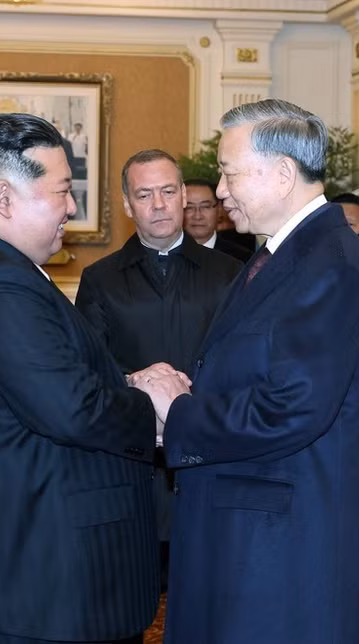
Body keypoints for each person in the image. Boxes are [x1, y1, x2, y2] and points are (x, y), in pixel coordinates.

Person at [132, 99, 359, 643]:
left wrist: (179, 411)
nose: (219, 191)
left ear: (283, 172)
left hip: (279, 549)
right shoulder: (284, 255)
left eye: (228, 171)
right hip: (247, 531)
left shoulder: (328, 264)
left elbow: (292, 406)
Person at [0, 113, 161, 644]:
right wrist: (154, 407)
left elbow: (36, 379)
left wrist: (125, 382)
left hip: (15, 568)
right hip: (42, 580)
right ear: (5, 198)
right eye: (63, 191)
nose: (72, 207)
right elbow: (69, 409)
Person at [76, 150, 241, 597]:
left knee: (210, 599)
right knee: (126, 600)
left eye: (169, 191)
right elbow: (89, 368)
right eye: (144, 194)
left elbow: (244, 363)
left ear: (185, 196)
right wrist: (136, 382)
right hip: (134, 464)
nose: (159, 204)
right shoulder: (101, 278)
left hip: (209, 458)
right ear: (128, 205)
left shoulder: (231, 274)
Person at [183, 178, 255, 261]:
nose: (197, 216)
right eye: (189, 208)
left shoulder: (242, 259)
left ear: (219, 209)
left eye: (205, 206)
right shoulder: (167, 254)